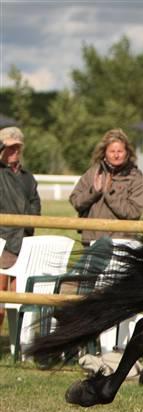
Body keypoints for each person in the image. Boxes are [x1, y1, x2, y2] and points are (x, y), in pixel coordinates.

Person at [69, 128, 143, 246]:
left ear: (127, 153)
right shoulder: (93, 173)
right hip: (91, 241)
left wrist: (110, 194)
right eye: (112, 151)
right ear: (104, 152)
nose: (116, 155)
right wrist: (94, 191)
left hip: (121, 243)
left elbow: (134, 213)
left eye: (120, 151)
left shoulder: (135, 178)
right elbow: (76, 202)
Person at [0, 127, 41, 332]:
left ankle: (18, 346)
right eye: (9, 147)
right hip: (2, 241)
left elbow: (35, 203)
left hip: (23, 240)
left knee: (18, 298)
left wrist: (27, 224)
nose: (14, 151)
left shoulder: (28, 177)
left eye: (17, 147)